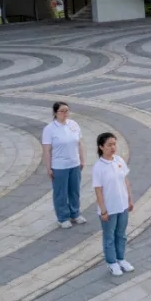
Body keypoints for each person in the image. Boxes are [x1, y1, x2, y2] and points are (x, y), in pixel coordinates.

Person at [92, 132, 135, 276]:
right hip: (109, 208)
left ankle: (121, 259)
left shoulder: (119, 160)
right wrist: (103, 210)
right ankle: (111, 262)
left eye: (114, 144)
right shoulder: (98, 167)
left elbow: (125, 181)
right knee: (109, 236)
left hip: (122, 205)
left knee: (121, 234)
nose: (113, 147)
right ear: (101, 147)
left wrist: (129, 199)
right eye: (109, 145)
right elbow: (98, 190)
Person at [42, 101, 86, 228]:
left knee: (74, 190)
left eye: (67, 110)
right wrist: (48, 167)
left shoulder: (74, 124)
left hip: (74, 163)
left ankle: (75, 213)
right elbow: (47, 150)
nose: (65, 113)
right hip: (59, 165)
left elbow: (79, 143)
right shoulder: (50, 129)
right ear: (56, 113)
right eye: (62, 111)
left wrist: (82, 160)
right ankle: (62, 217)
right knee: (60, 192)